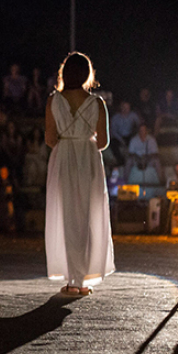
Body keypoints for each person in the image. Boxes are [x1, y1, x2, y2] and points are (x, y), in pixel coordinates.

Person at [45, 52, 114, 296]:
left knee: (67, 215)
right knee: (87, 215)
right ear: (87, 74)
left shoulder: (54, 101)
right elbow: (104, 141)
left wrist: (68, 145)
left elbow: (50, 138)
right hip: (89, 157)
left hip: (63, 157)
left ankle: (72, 278)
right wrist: (83, 142)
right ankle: (82, 278)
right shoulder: (97, 103)